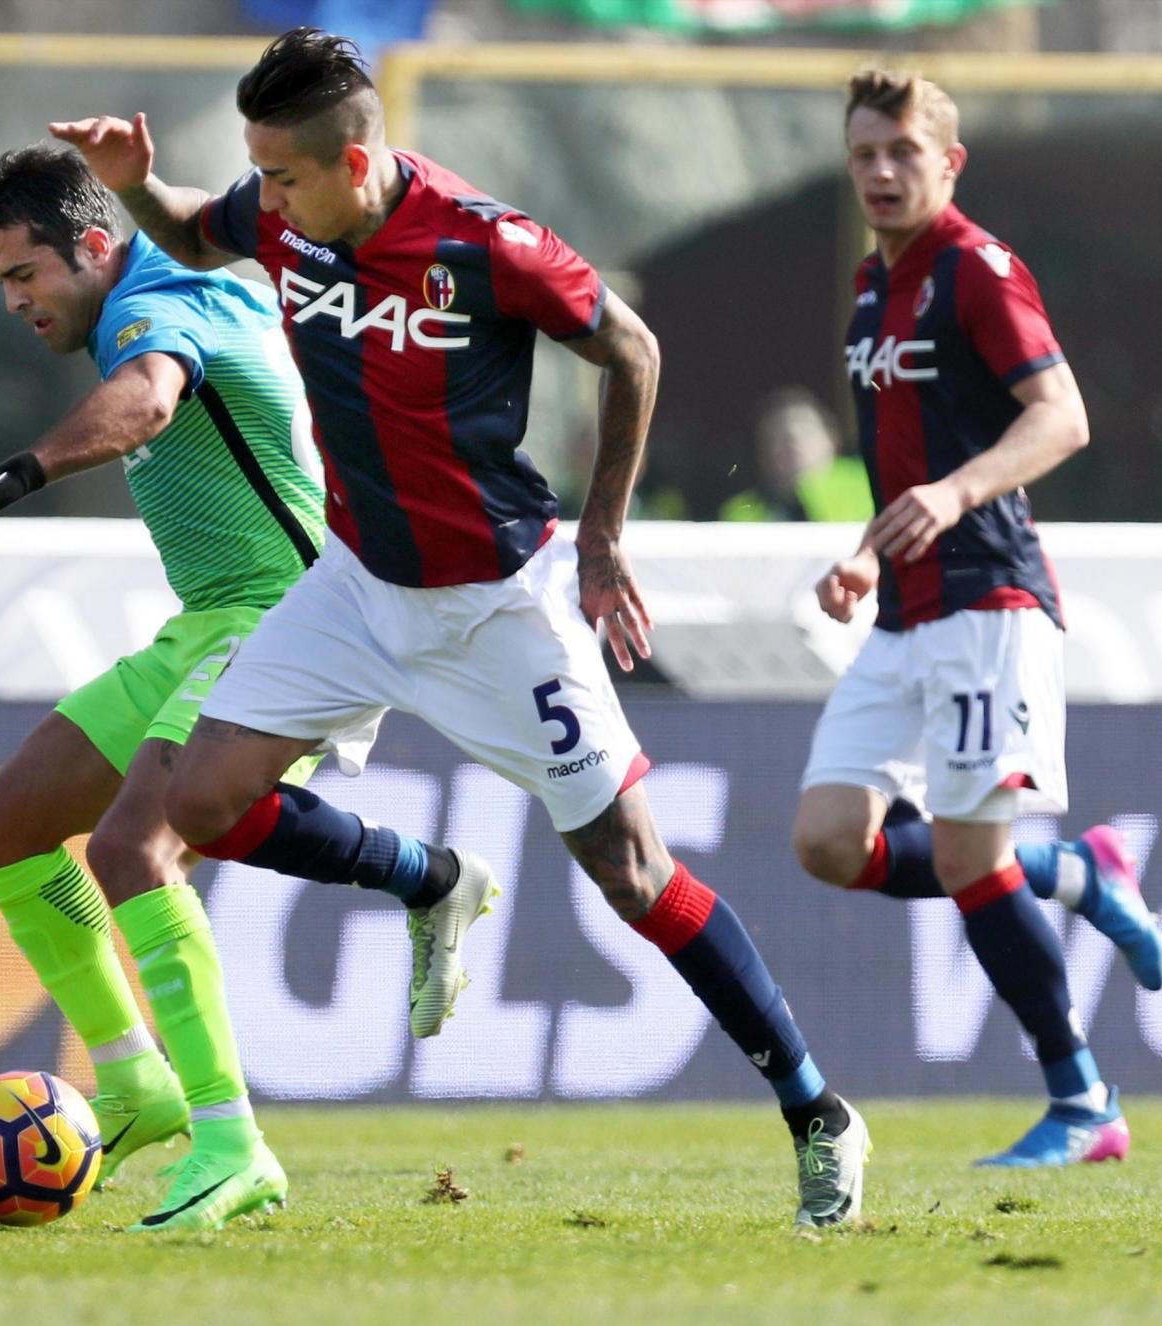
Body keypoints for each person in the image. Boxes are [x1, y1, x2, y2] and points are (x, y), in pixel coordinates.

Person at [54, 28, 869, 1228]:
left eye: (284, 176)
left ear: (358, 155)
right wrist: (132, 183)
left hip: (501, 601)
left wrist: (600, 537)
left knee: (633, 874)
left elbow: (629, 348)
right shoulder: (282, 219)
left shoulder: (481, 242)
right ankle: (427, 883)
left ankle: (815, 1114)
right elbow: (193, 226)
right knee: (197, 805)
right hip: (354, 584)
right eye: (259, 175)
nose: (266, 199)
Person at [0, 142, 332, 1231]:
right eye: (1, 281)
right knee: (1, 823)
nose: (12, 302)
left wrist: (25, 471)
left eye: (25, 277)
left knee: (130, 851)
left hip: (289, 620)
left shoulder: (161, 304)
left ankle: (232, 1141)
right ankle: (134, 1080)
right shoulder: (159, 291)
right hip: (210, 625)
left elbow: (148, 401)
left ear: (93, 249)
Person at [792, 70, 1162, 1167]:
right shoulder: (872, 284)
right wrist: (863, 554)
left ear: (947, 163)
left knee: (965, 860)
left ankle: (1083, 1103)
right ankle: (1074, 873)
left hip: (989, 601)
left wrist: (956, 494)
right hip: (902, 610)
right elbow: (903, 464)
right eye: (862, 153)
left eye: (901, 152)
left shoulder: (974, 269)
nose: (878, 171)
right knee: (826, 842)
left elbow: (1062, 418)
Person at [719, 386, 872, 523]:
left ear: (832, 440)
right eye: (777, 438)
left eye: (805, 432)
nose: (793, 444)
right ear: (762, 454)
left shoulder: (871, 485)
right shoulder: (741, 511)